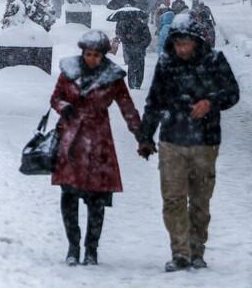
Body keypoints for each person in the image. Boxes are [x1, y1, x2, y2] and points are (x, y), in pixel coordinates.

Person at [137, 15, 239, 272]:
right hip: (172, 140)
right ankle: (180, 252)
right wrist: (145, 137)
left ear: (196, 42)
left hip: (205, 141)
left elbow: (232, 93)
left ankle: (197, 250)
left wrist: (210, 102)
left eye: (186, 44)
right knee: (173, 199)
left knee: (200, 201)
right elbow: (154, 102)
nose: (182, 49)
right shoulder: (166, 64)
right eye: (178, 44)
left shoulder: (214, 61)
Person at [50, 30, 141, 266]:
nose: (92, 58)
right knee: (69, 195)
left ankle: (91, 249)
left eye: (97, 55)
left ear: (103, 55)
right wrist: (64, 107)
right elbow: (55, 98)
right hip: (72, 141)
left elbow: (126, 106)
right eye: (88, 54)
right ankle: (72, 246)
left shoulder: (112, 76)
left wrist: (141, 134)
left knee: (97, 199)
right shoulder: (69, 72)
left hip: (99, 141)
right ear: (82, 53)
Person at [115, 16, 151, 89]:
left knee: (140, 67)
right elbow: (122, 37)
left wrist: (141, 45)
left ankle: (138, 84)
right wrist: (126, 37)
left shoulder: (143, 26)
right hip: (131, 50)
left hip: (140, 50)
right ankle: (131, 84)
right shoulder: (126, 25)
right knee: (131, 67)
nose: (135, 19)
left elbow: (148, 38)